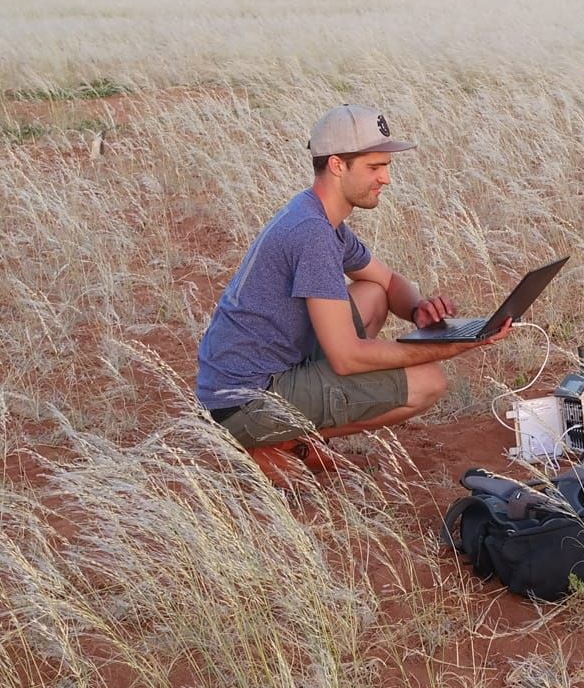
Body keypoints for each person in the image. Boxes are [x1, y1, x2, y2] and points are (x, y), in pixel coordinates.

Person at [196, 104, 509, 479]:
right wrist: (457, 345)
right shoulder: (311, 233)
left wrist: (417, 309)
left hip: (257, 376)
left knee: (372, 292)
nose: (386, 179)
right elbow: (347, 358)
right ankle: (271, 443)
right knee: (429, 381)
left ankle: (290, 435)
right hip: (244, 403)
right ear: (336, 165)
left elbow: (389, 283)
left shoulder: (318, 216)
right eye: (375, 167)